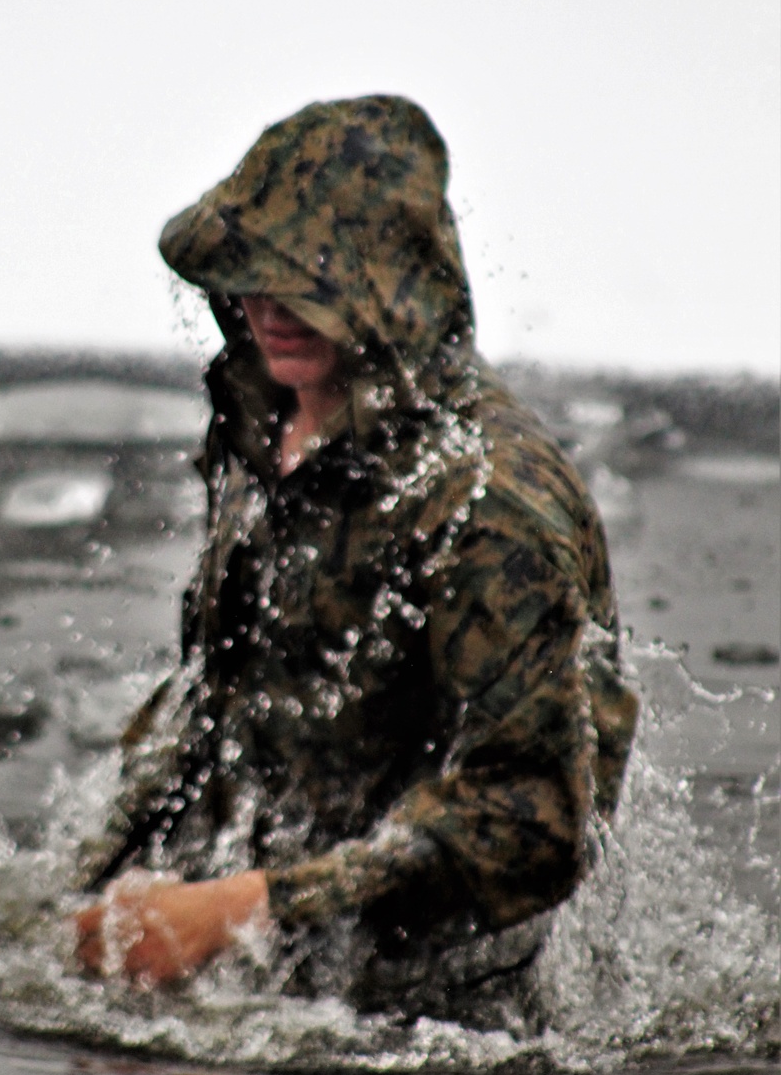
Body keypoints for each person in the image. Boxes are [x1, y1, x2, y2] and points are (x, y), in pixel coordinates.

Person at [75, 95, 638, 1014]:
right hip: (259, 980)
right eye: (251, 273)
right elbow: (218, 697)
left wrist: (242, 909)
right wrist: (101, 892)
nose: (267, 305)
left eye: (309, 282)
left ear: (389, 285)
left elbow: (531, 819)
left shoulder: (490, 501)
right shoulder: (264, 418)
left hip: (442, 1033)